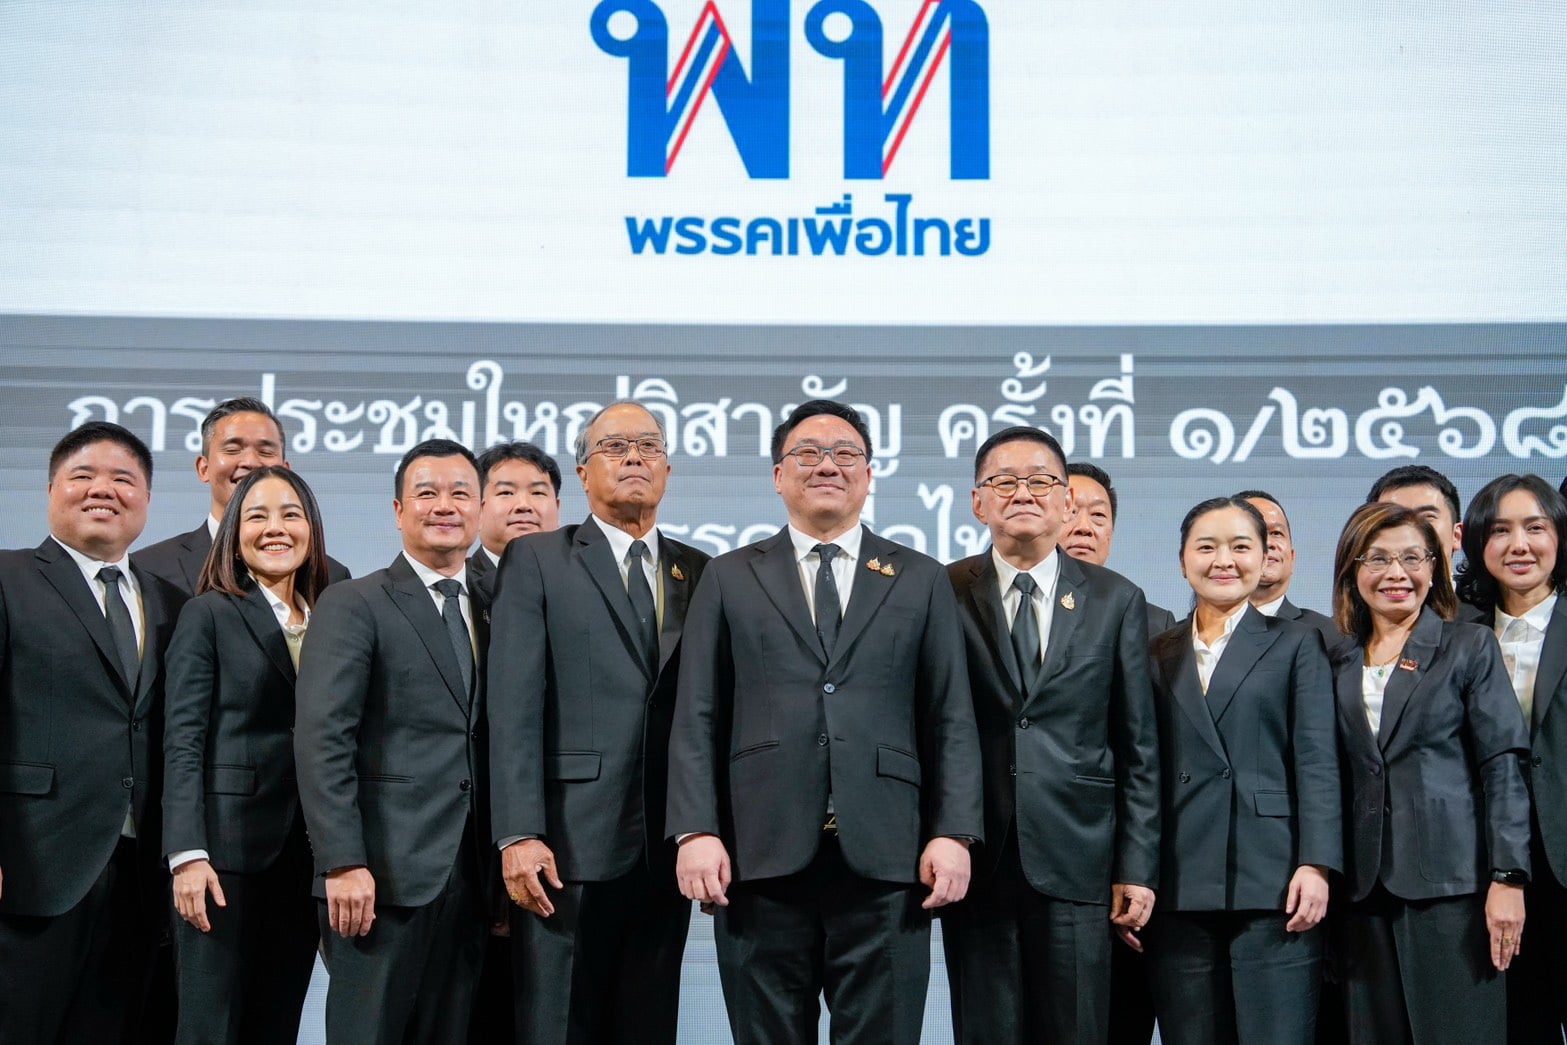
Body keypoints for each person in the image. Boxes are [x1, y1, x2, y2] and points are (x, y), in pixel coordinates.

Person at [667, 399, 983, 1045]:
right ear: (778, 475)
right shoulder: (728, 576)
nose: (827, 465)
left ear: (869, 475)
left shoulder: (920, 577)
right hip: (758, 855)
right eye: (807, 453)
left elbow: (949, 714)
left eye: (845, 454)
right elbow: (698, 712)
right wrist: (695, 829)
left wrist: (953, 832)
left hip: (888, 857)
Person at [487, 402, 708, 1045]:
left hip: (667, 845)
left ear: (668, 469)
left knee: (648, 1024)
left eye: (649, 445)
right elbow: (514, 705)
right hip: (566, 843)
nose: (635, 456)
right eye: (615, 446)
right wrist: (519, 832)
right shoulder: (537, 559)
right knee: (559, 1024)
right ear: (583, 472)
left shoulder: (700, 570)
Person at [944, 430, 1160, 1044]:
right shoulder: (942, 590)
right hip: (976, 857)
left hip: (1080, 857)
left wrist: (1137, 865)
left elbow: (1138, 747)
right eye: (1004, 481)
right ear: (978, 502)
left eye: (1040, 481)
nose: (1023, 493)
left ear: (1066, 502)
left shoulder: (1117, 600)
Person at [294, 439, 492, 1044]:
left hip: (475, 876)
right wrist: (343, 861)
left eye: (460, 493)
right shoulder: (355, 601)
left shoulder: (499, 606)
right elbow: (323, 740)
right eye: (427, 493)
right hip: (379, 876)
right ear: (399, 510)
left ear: (480, 509)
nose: (445, 506)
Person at [0, 421, 188, 1041]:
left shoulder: (174, 604)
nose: (103, 489)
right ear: (51, 490)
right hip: (31, 864)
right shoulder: (8, 577)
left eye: (123, 479)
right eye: (83, 475)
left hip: (141, 875)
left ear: (147, 500)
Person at [1330, 501, 1531, 1044]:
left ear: (1433, 568)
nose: (1396, 573)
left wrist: (1508, 877)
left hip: (1453, 888)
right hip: (1362, 892)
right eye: (1378, 558)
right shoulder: (1336, 659)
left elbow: (1503, 766)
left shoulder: (1468, 645)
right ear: (1352, 570)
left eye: (1412, 558)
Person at [1143, 496, 1340, 1045]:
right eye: (1207, 547)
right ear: (1183, 560)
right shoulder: (1155, 651)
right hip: (1177, 881)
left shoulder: (1297, 642)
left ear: (1264, 556)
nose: (1223, 560)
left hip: (1273, 880)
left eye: (1240, 546)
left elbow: (1317, 760)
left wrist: (1317, 864)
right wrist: (1135, 872)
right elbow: (1142, 771)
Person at [162, 466, 330, 1044]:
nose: (275, 528)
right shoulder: (208, 613)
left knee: (277, 1022)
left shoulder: (334, 614)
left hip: (308, 857)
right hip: (223, 855)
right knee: (210, 1026)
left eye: (291, 514)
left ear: (312, 528)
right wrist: (187, 854)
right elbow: (183, 739)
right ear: (234, 535)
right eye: (257, 516)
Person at [1457, 474, 1567, 1044]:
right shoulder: (1453, 635)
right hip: (1488, 871)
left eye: (1535, 527)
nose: (1519, 545)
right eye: (1500, 531)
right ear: (1477, 543)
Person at [137, 397, 349, 593]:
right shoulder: (151, 568)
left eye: (265, 452)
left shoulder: (332, 578)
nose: (251, 462)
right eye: (232, 450)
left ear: (286, 473)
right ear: (204, 468)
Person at [1065, 462, 1179, 634]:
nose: (1084, 528)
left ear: (1111, 534)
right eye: (1071, 512)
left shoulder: (1153, 623)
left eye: (1098, 514)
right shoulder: (1024, 607)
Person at [1234, 489, 1338, 645]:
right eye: (1253, 532)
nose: (1268, 543)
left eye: (1276, 533)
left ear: (1292, 557)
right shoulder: (1195, 633)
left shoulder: (1328, 636)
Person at [468, 440, 561, 604]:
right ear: (478, 509)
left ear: (557, 508)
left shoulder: (580, 581)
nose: (523, 505)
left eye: (538, 493)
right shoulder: (459, 585)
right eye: (506, 492)